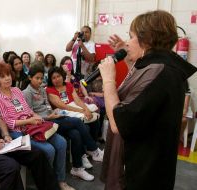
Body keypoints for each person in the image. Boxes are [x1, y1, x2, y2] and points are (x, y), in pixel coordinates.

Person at [99, 10, 197, 190]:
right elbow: (138, 86)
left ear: (147, 39)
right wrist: (129, 56)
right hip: (152, 164)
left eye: (131, 37)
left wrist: (108, 80)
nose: (127, 42)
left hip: (141, 171)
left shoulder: (160, 73)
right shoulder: (162, 67)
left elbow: (120, 124)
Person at [0, 63, 71, 190]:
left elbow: (28, 109)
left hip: (32, 124)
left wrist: (36, 116)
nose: (7, 78)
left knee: (62, 142)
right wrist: (30, 121)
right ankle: (46, 183)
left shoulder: (16, 90)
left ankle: (60, 180)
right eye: (2, 76)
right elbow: (8, 122)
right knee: (49, 150)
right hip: (16, 130)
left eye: (8, 75)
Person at [23, 65, 101, 181]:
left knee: (75, 134)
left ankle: (77, 168)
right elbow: (30, 113)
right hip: (43, 122)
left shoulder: (42, 90)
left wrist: (53, 111)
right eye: (37, 78)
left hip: (53, 116)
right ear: (30, 78)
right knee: (78, 122)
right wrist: (48, 116)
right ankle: (94, 150)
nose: (39, 81)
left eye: (41, 78)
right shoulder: (27, 92)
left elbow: (48, 106)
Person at [46, 66, 101, 141]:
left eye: (58, 76)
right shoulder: (50, 90)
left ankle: (92, 147)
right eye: (54, 78)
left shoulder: (68, 85)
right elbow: (63, 106)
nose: (57, 79)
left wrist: (86, 109)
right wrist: (82, 111)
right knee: (83, 128)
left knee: (95, 121)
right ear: (50, 80)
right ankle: (90, 149)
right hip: (63, 114)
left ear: (62, 75)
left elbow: (77, 101)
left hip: (74, 108)